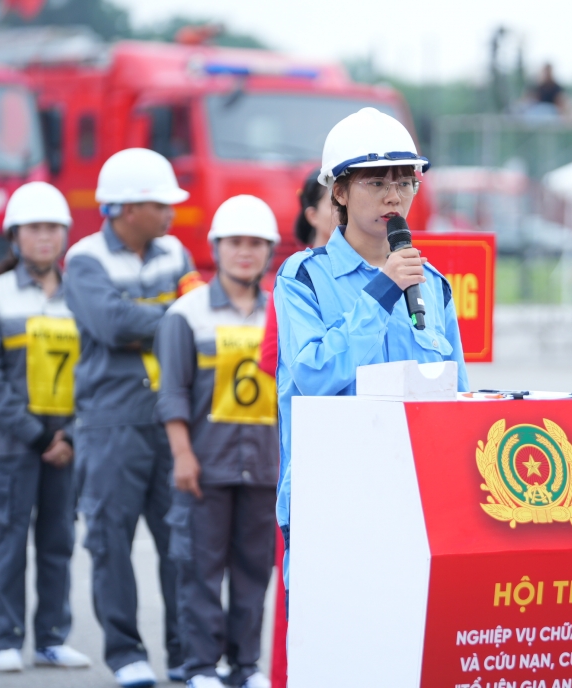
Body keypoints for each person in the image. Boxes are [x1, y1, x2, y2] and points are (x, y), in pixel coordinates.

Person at [274, 107, 469, 590]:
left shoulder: (434, 284)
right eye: (376, 182)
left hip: (416, 493)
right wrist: (381, 291)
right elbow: (314, 375)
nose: (393, 196)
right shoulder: (303, 277)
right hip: (332, 493)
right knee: (333, 648)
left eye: (404, 182)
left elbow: (457, 394)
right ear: (338, 191)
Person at [64, 148, 200, 687]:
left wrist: (160, 317)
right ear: (125, 208)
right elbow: (111, 323)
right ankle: (125, 654)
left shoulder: (176, 252)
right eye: (160, 204)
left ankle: (186, 654)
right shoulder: (85, 259)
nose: (171, 214)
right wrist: (172, 316)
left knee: (181, 544)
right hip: (109, 423)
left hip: (170, 419)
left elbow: (198, 312)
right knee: (110, 542)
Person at [156, 196, 279, 688]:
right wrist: (183, 454)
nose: (244, 252)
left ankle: (245, 666)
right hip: (204, 465)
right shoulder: (185, 315)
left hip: (265, 467)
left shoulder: (284, 313)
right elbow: (172, 393)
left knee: (253, 574)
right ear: (216, 248)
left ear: (269, 251)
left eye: (255, 244)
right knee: (200, 572)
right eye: (235, 243)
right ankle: (202, 667)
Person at [0, 182, 90, 673]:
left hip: (68, 444)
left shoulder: (81, 296)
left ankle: (51, 639)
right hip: (10, 446)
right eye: (34, 229)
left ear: (64, 236)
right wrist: (37, 435)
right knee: (8, 542)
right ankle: (6, 637)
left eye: (52, 229)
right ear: (14, 237)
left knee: (58, 542)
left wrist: (71, 435)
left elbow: (96, 372)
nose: (44, 238)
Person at [259, 172, 337, 379]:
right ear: (312, 215)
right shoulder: (297, 274)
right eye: (335, 202)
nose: (345, 210)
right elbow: (270, 358)